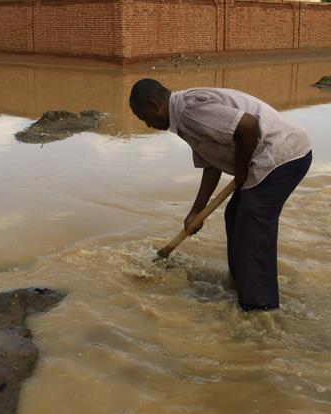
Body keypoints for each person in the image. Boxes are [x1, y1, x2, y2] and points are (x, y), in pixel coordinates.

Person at [129, 79, 312, 311]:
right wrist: (197, 211)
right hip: (268, 158)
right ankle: (240, 286)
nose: (147, 125)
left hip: (282, 155)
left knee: (252, 226)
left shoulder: (189, 111)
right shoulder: (182, 115)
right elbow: (212, 165)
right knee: (235, 215)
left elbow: (248, 125)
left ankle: (259, 309)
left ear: (155, 105)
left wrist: (242, 168)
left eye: (144, 117)